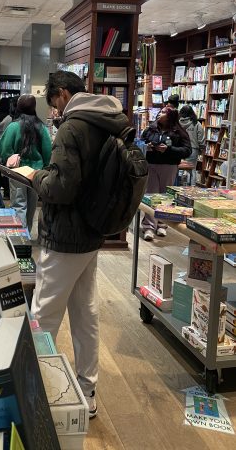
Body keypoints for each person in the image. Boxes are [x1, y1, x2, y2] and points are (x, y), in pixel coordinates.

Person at [26, 71, 131, 419]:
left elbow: (61, 188)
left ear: (65, 94)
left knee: (43, 312)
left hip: (66, 234)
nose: (54, 109)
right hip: (92, 231)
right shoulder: (107, 120)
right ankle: (87, 389)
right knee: (86, 312)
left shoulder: (72, 127)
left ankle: (32, 387)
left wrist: (35, 175)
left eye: (54, 100)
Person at [0, 94, 51, 231]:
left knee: (18, 204)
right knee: (32, 203)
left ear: (18, 107)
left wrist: (8, 159)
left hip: (17, 171)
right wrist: (45, 167)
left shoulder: (13, 126)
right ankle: (27, 231)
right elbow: (47, 151)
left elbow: (3, 149)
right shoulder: (42, 127)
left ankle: (20, 238)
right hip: (36, 172)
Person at [141, 106, 191, 240]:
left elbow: (187, 151)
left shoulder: (179, 132)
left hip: (169, 166)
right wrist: (148, 146)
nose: (159, 114)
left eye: (163, 112)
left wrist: (168, 150)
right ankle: (149, 227)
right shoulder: (151, 128)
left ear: (170, 116)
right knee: (150, 195)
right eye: (160, 111)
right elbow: (140, 141)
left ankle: (162, 225)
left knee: (165, 196)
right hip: (151, 165)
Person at [179, 105, 205, 185]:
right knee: (192, 169)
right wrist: (201, 147)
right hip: (193, 149)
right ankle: (192, 187)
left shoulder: (178, 123)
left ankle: (178, 185)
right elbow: (200, 137)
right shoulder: (196, 123)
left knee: (180, 168)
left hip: (180, 148)